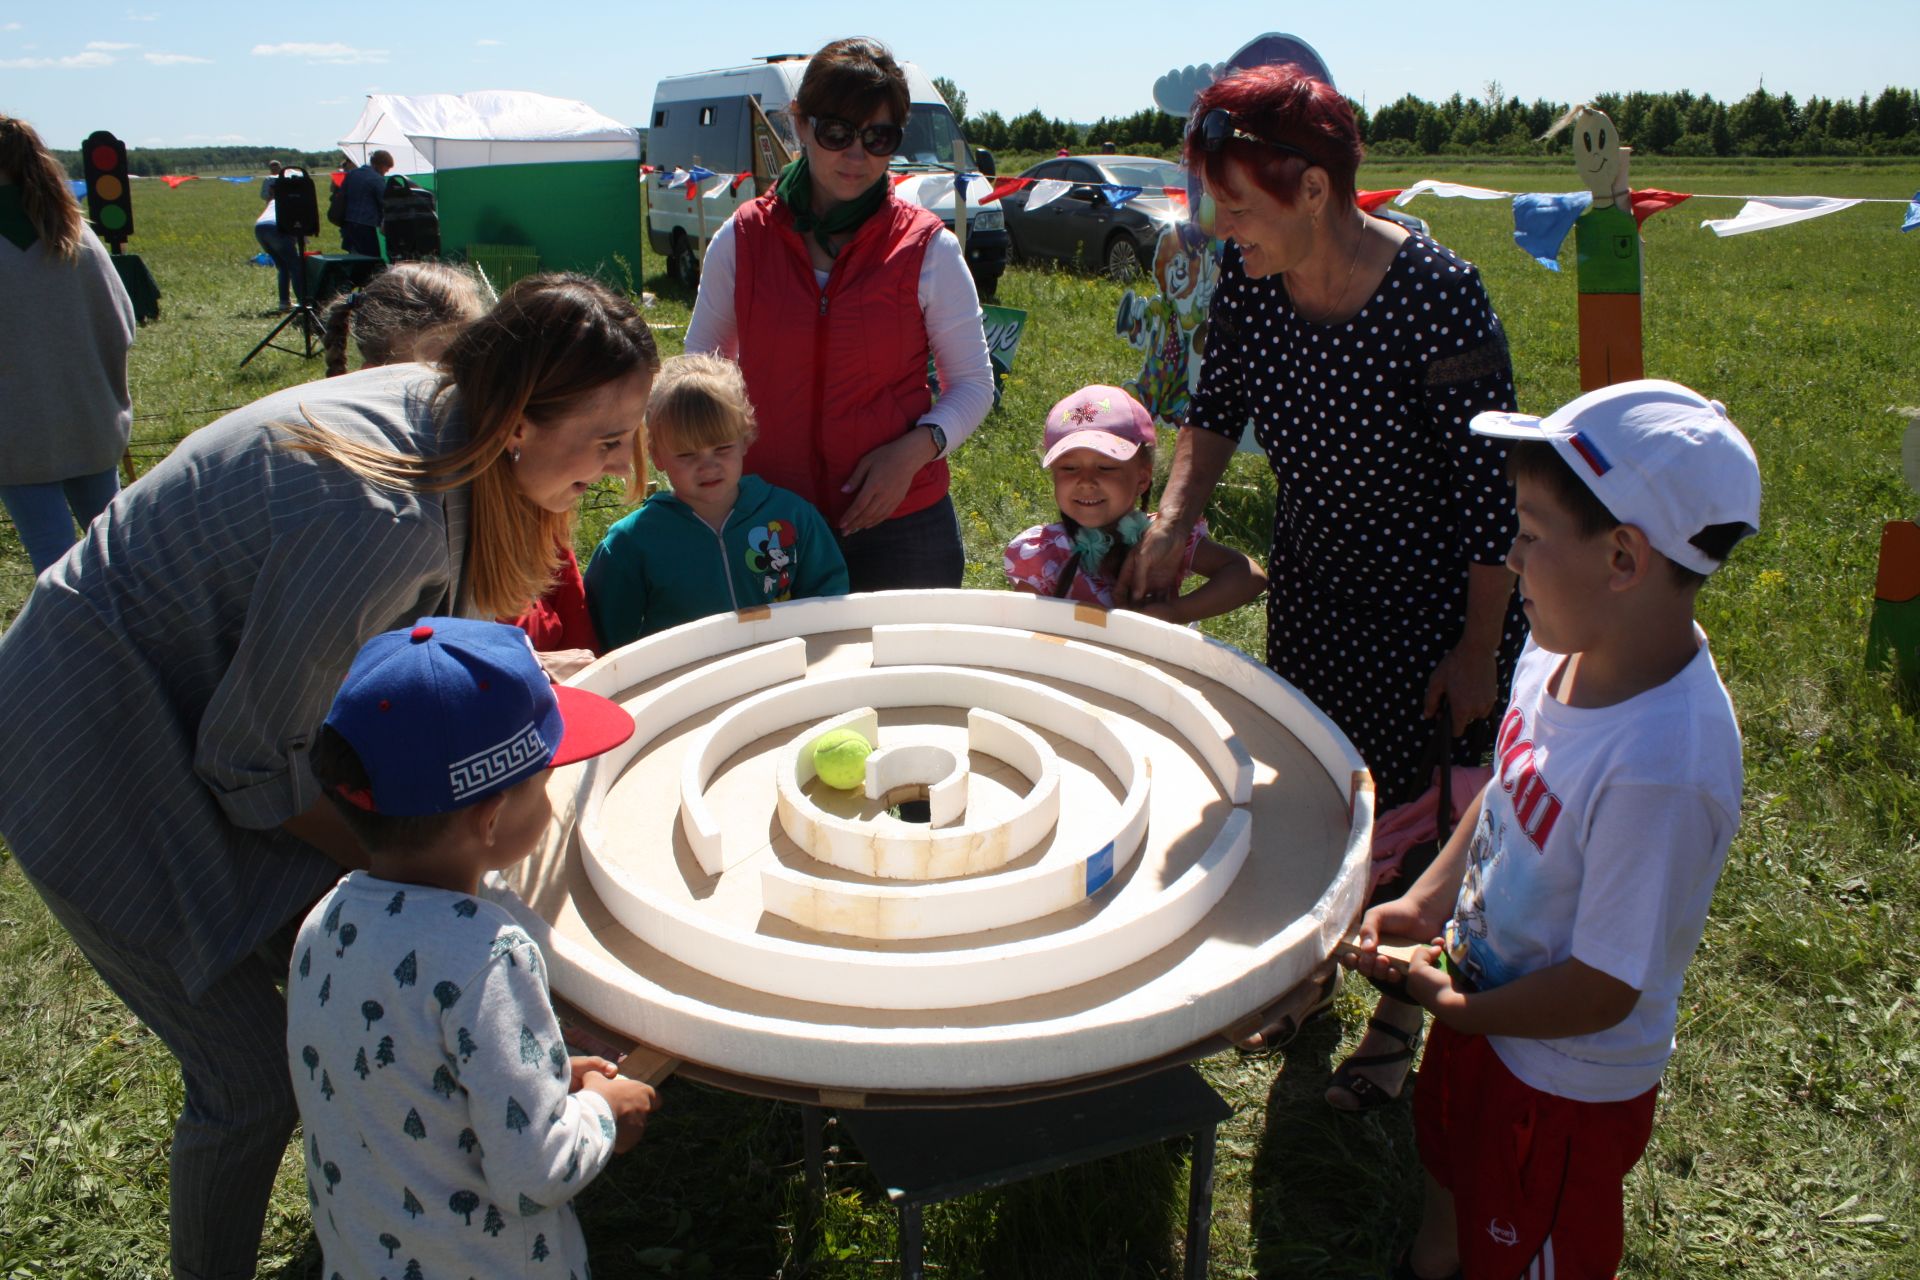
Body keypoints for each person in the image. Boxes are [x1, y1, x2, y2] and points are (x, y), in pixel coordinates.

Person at [0, 273, 658, 1280]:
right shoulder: (384, 514)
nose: (624, 470)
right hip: (90, 731)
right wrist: (432, 881)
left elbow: (368, 663)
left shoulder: (459, 425)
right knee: (253, 1074)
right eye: (609, 438)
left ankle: (388, 1200)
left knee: (369, 975)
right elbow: (250, 758)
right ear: (520, 420)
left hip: (209, 703)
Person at [1117, 65, 1527, 1098]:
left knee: (1432, 810)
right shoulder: (1254, 282)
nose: (1221, 227)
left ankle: (1397, 1010)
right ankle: (1313, 966)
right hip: (1316, 585)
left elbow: (1491, 501)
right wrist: (1172, 516)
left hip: (1435, 608)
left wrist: (1478, 647)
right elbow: (1215, 406)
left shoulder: (1438, 295)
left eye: (1239, 205)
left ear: (1313, 190)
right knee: (1326, 793)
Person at [1341, 379, 1760, 1280]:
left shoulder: (1663, 767)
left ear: (1622, 558)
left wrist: (1458, 1007)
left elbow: (1606, 988)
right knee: (1450, 1167)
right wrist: (1425, 900)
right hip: (1481, 1002)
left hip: (1562, 1077)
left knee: (1526, 1231)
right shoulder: (1556, 643)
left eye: (1529, 534)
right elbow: (1504, 787)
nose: (1511, 555)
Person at [289, 617, 660, 1279]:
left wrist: (549, 1078)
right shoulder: (488, 958)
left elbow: (410, 1077)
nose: (550, 798)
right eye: (544, 784)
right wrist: (604, 1110)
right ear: (489, 820)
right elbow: (535, 1173)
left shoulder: (324, 923)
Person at [684, 37, 994, 592]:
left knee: (907, 677)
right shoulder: (743, 239)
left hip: (900, 520)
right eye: (837, 132)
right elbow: (699, 373)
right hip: (771, 519)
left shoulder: (928, 248)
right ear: (800, 125)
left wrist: (912, 452)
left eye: (879, 137)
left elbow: (972, 384)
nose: (857, 155)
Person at [586, 352, 849, 648]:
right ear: (656, 454)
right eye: (687, 454)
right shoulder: (631, 544)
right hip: (692, 686)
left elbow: (830, 600)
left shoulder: (793, 515)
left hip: (784, 673)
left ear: (746, 437)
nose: (708, 466)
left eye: (722, 448)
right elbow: (609, 644)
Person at [0, 114, 134, 577]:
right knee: (116, 552)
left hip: (15, 431)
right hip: (88, 417)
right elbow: (122, 327)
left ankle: (74, 646)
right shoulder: (78, 233)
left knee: (52, 560)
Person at [1005, 385, 1264, 620]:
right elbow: (1024, 628)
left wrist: (1174, 612)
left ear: (1142, 479)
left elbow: (1249, 577)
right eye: (1069, 467)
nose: (1085, 481)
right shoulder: (1043, 552)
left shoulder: (1163, 540)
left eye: (1105, 467)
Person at [341, 149, 394, 257]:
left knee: (355, 258)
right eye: (386, 168)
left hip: (348, 223)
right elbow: (385, 201)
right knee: (370, 260)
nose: (387, 171)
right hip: (366, 226)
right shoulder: (376, 179)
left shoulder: (352, 174)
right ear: (379, 165)